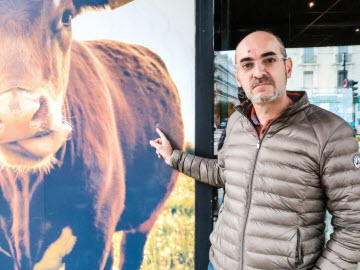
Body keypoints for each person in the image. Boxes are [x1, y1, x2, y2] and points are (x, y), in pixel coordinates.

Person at [150, 31, 360, 270]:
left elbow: (353, 226)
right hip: (221, 263)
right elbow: (223, 173)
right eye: (248, 64)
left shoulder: (330, 132)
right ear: (238, 77)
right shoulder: (238, 122)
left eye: (269, 60)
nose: (259, 72)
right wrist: (174, 157)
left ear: (287, 68)